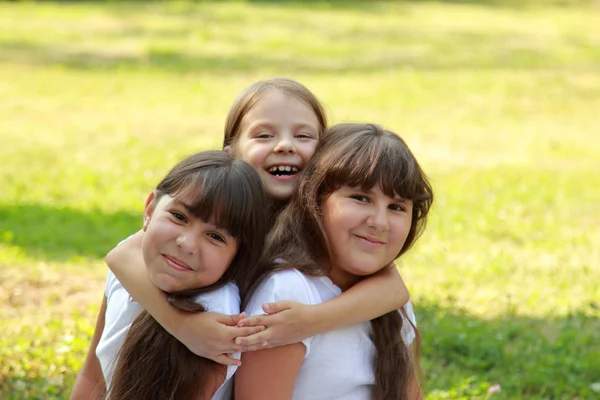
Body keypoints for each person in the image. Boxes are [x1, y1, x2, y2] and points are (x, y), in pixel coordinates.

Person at [104, 78, 412, 366]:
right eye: (264, 135)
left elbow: (393, 289)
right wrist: (185, 327)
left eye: (303, 136)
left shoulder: (324, 226)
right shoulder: (213, 207)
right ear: (231, 152)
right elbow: (122, 255)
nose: (285, 145)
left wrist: (310, 321)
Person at [235, 123, 433, 400]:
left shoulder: (386, 297)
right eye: (361, 198)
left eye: (397, 207)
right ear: (315, 198)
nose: (379, 222)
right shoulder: (289, 292)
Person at [70, 151, 270, 399]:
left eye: (215, 236)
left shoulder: (216, 320)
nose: (187, 243)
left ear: (237, 257)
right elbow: (93, 375)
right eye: (179, 217)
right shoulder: (130, 268)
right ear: (149, 210)